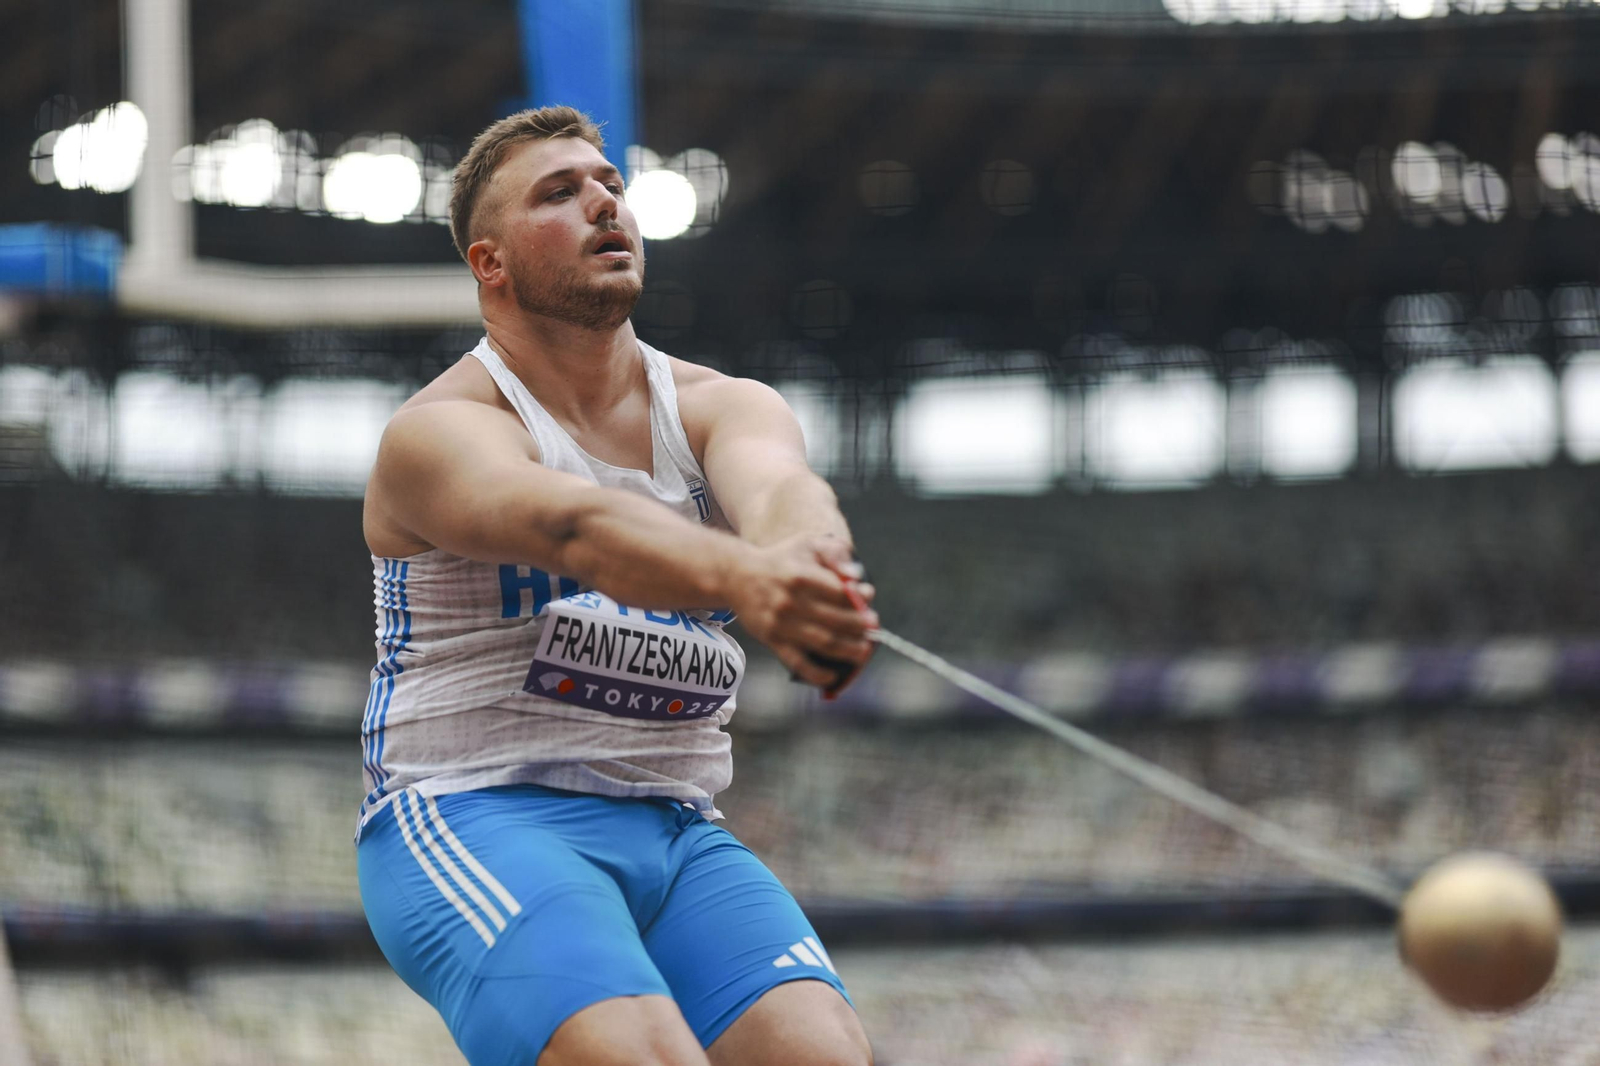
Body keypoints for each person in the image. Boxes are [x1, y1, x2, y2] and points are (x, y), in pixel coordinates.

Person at [355, 105, 877, 1066]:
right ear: (490, 265)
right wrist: (746, 578)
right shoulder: (435, 433)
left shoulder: (727, 405)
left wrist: (813, 569)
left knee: (824, 1056)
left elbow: (787, 496)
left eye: (611, 187)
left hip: (676, 828)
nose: (603, 203)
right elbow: (571, 524)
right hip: (478, 809)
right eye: (560, 194)